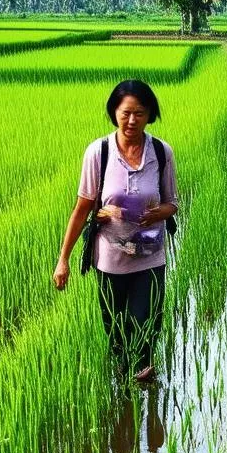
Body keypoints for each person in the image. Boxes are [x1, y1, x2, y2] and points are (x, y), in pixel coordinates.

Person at [54, 80, 178, 384]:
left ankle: (142, 378)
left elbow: (172, 203)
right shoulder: (99, 152)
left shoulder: (161, 152)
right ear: (114, 113)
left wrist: (155, 213)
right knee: (116, 326)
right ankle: (124, 380)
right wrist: (63, 259)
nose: (132, 120)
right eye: (125, 113)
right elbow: (82, 208)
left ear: (150, 114)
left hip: (149, 255)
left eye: (139, 113)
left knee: (147, 321)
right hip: (110, 258)